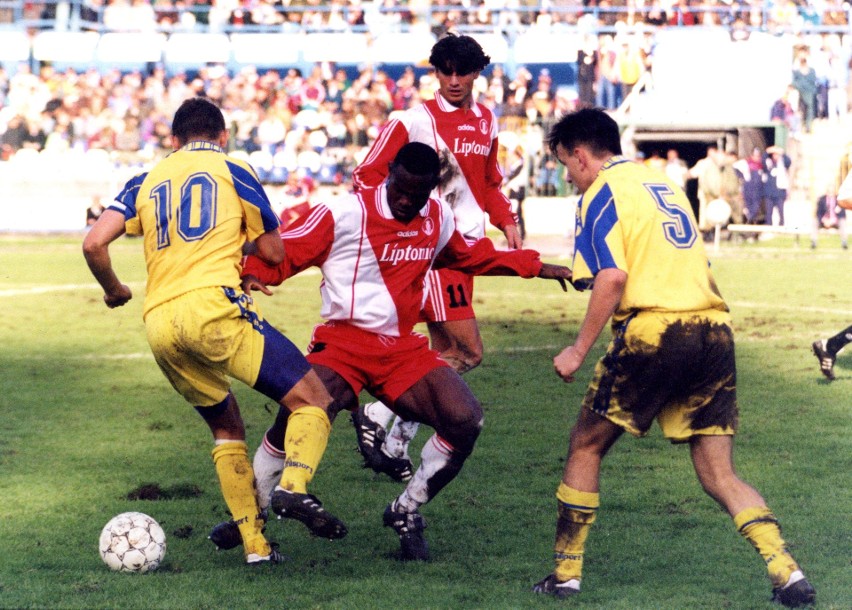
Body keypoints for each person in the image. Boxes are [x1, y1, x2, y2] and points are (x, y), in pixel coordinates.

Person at [209, 142, 573, 560]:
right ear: (389, 176)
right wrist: (255, 272)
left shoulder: (437, 215)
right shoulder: (346, 212)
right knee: (299, 412)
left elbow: (468, 255)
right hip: (342, 343)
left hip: (402, 350)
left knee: (465, 420)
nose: (404, 200)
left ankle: (406, 509)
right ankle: (250, 517)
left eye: (415, 195)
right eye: (398, 189)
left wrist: (533, 266)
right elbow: (289, 248)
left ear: (431, 190)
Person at [532, 108, 815, 607]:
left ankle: (565, 575)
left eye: (564, 165)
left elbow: (612, 277)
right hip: (712, 329)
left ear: (579, 155)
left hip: (656, 330)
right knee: (719, 473)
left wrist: (578, 350)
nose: (567, 176)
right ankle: (787, 572)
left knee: (585, 445)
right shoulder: (660, 183)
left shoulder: (600, 192)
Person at [82, 97, 345, 567]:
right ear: (223, 136)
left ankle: (256, 548)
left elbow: (93, 242)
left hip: (160, 323)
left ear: (174, 139)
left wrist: (114, 289)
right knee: (314, 399)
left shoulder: (145, 179)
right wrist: (236, 244)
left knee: (226, 428)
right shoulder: (233, 169)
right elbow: (273, 250)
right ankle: (293, 488)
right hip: (213, 309)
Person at [349, 33, 523, 482]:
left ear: (476, 73)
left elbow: (488, 184)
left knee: (442, 351)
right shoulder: (411, 120)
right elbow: (366, 176)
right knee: (468, 351)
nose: (453, 79)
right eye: (444, 70)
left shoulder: (486, 120)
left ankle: (394, 438)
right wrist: (400, 228)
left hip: (465, 250)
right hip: (432, 254)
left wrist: (506, 221)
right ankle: (378, 414)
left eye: (462, 71)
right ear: (435, 72)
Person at [811, 180, 847, 250]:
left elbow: (842, 214)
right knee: (814, 222)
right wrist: (824, 221)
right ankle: (814, 242)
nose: (830, 192)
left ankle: (844, 243)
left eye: (832, 190)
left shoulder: (839, 200)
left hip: (835, 221)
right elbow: (818, 213)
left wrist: (833, 221)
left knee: (842, 222)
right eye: (829, 190)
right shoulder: (822, 199)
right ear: (827, 190)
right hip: (824, 221)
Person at [763, 145, 792, 227]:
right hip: (769, 192)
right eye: (774, 154)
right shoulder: (768, 163)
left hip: (779, 192)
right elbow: (763, 160)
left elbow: (789, 161)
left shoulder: (782, 164)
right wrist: (767, 151)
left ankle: (781, 225)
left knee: (781, 211)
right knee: (769, 212)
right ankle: (768, 225)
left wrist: (782, 152)